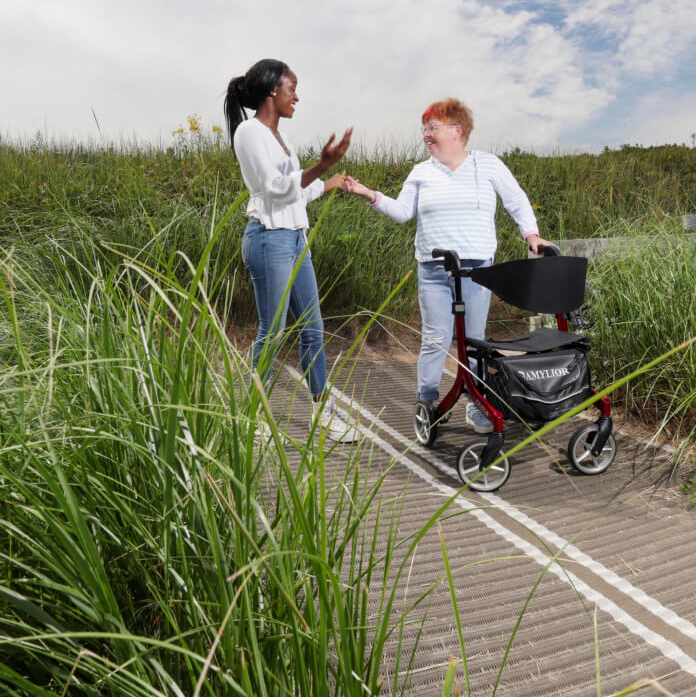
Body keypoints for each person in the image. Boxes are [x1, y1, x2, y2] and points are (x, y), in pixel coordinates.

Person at [343, 97, 551, 433]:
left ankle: (477, 404)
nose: (426, 134)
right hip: (435, 272)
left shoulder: (489, 165)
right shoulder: (421, 172)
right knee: (436, 338)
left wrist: (532, 236)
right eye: (424, 129)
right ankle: (427, 402)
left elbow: (517, 200)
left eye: (432, 128)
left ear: (457, 130)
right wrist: (370, 194)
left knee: (473, 341)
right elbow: (402, 212)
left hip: (477, 270)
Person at [224, 58, 354, 440]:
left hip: (296, 237)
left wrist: (329, 181)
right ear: (271, 91)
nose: (296, 94)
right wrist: (321, 165)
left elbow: (295, 192)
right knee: (274, 330)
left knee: (313, 328)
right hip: (268, 239)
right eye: (291, 86)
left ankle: (322, 411)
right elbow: (275, 188)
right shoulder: (250, 132)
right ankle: (252, 417)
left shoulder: (283, 139)